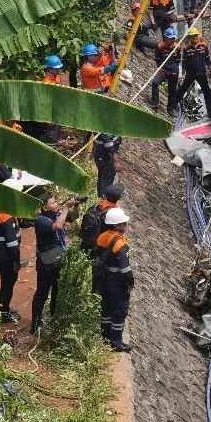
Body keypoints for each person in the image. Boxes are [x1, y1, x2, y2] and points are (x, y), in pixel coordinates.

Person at [30, 194, 80, 334]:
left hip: (57, 258)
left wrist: (76, 206)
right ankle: (35, 325)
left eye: (56, 201)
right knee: (42, 293)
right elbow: (57, 226)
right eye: (52, 203)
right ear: (44, 207)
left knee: (57, 291)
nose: (56, 204)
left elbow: (73, 217)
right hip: (46, 262)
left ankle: (53, 319)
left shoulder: (57, 214)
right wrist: (65, 207)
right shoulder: (41, 221)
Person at [93, 207, 133, 352]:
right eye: (124, 223)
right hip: (117, 283)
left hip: (104, 279)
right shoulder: (120, 244)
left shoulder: (102, 237)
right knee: (119, 312)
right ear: (118, 225)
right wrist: (130, 284)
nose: (126, 225)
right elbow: (125, 269)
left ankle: (105, 336)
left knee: (106, 309)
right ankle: (116, 343)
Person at [0, 184, 22, 323]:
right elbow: (12, 244)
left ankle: (3, 308)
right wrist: (16, 261)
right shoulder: (6, 217)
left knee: (6, 282)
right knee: (8, 282)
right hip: (6, 256)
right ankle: (3, 312)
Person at [174, 27, 211, 115]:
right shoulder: (187, 48)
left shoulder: (203, 46)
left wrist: (210, 71)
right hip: (190, 74)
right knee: (182, 89)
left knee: (207, 91)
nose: (194, 38)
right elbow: (184, 62)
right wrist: (183, 74)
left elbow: (207, 59)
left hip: (201, 73)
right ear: (189, 38)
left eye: (196, 36)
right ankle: (174, 105)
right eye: (192, 36)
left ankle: (210, 110)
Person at [80, 182, 123, 256]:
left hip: (84, 239)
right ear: (119, 198)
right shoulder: (113, 213)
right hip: (97, 247)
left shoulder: (97, 204)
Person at [151, 27, 181, 112]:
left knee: (172, 90)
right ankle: (155, 103)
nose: (173, 40)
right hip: (163, 69)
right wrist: (162, 67)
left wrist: (174, 68)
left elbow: (178, 60)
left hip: (173, 70)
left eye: (173, 38)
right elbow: (157, 60)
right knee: (155, 83)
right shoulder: (159, 46)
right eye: (171, 38)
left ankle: (170, 109)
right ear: (165, 38)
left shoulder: (177, 47)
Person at [92, 132, 122, 199]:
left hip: (101, 154)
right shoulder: (106, 125)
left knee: (103, 177)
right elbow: (108, 144)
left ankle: (100, 199)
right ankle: (102, 203)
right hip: (105, 156)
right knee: (107, 182)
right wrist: (115, 162)